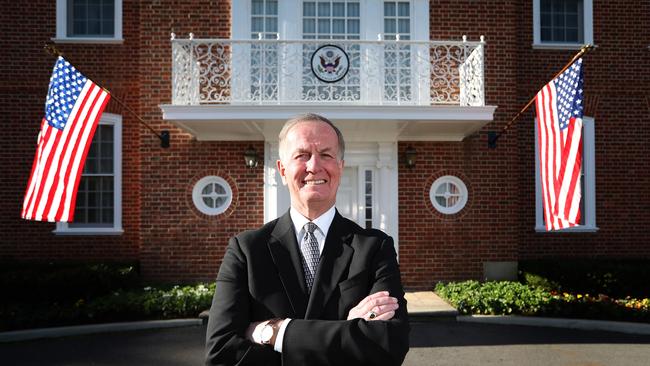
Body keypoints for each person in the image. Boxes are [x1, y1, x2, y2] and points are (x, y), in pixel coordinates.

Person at [205, 113, 410, 365]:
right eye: (302, 155)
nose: (314, 166)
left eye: (326, 154)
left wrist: (275, 333)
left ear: (340, 167)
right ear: (282, 170)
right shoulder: (246, 250)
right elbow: (221, 353)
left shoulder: (375, 248)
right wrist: (346, 330)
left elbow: (389, 345)